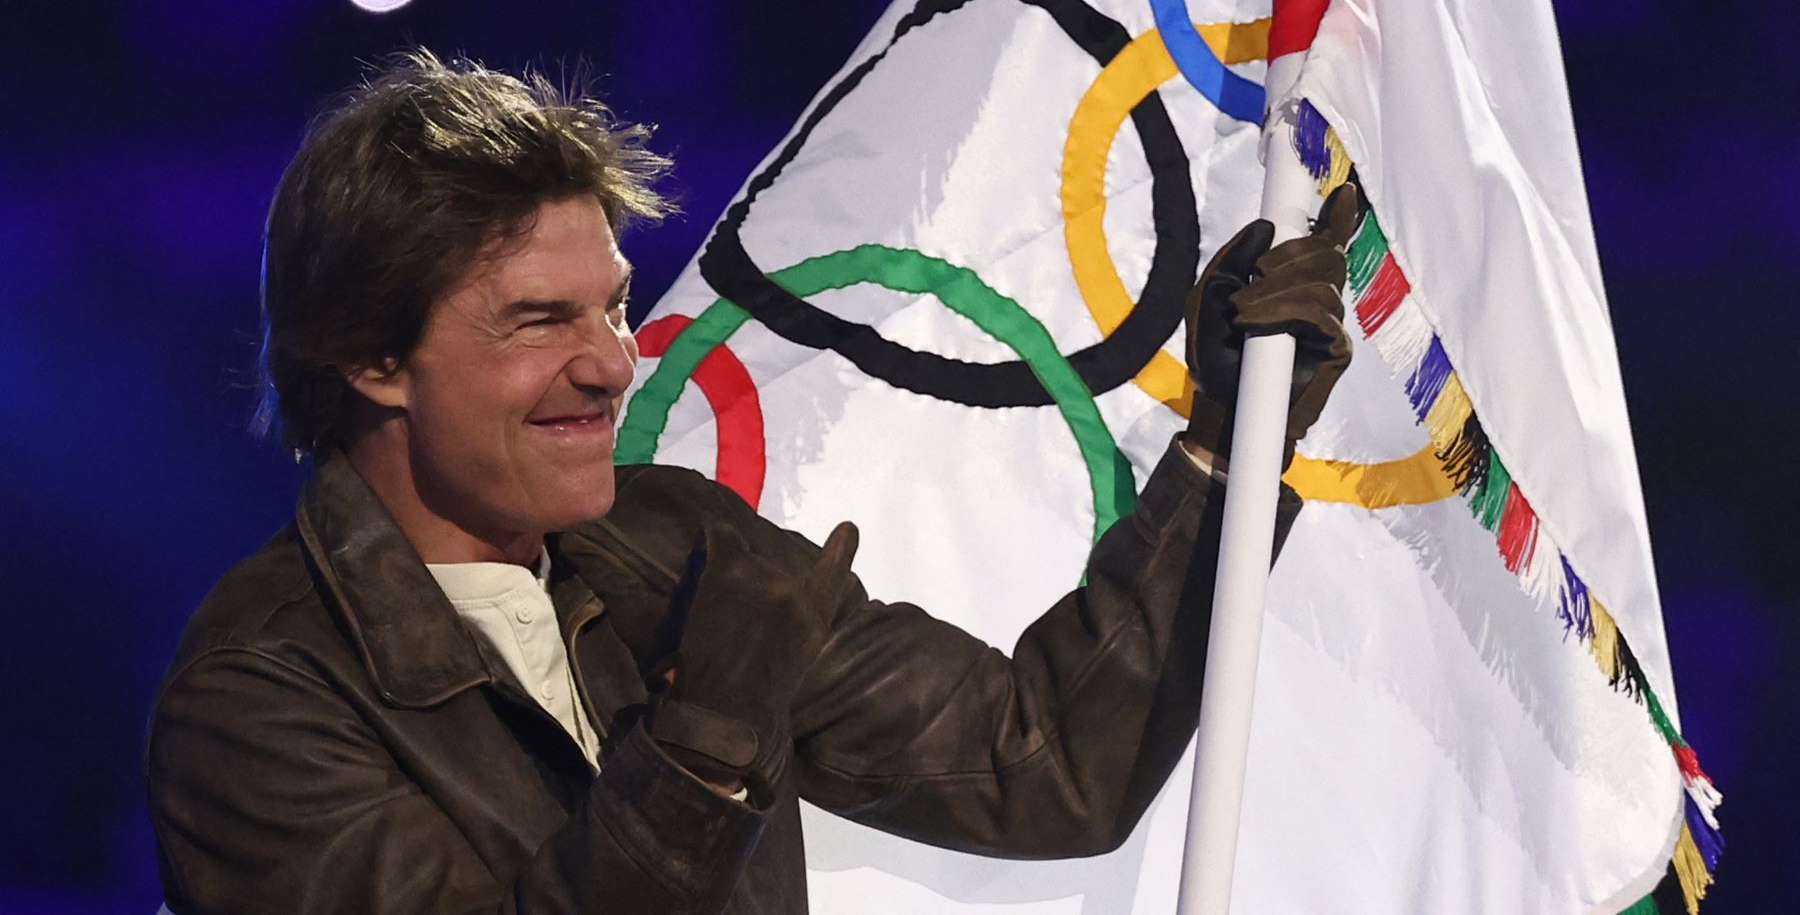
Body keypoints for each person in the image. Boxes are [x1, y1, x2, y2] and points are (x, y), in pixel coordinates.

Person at [145, 49, 1356, 913]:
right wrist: (702, 750)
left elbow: (1041, 768)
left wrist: (1223, 451)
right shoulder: (254, 703)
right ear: (371, 357)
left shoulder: (675, 547)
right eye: (535, 321)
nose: (612, 364)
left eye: (615, 306)